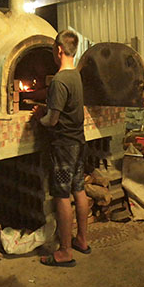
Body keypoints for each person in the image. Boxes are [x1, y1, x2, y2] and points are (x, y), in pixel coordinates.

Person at [33, 30, 91, 268]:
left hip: (64, 146)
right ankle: (82, 240)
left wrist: (39, 117)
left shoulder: (59, 80)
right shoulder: (76, 75)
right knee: (79, 189)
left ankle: (65, 251)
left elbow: (52, 120)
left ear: (58, 50)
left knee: (62, 195)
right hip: (78, 142)